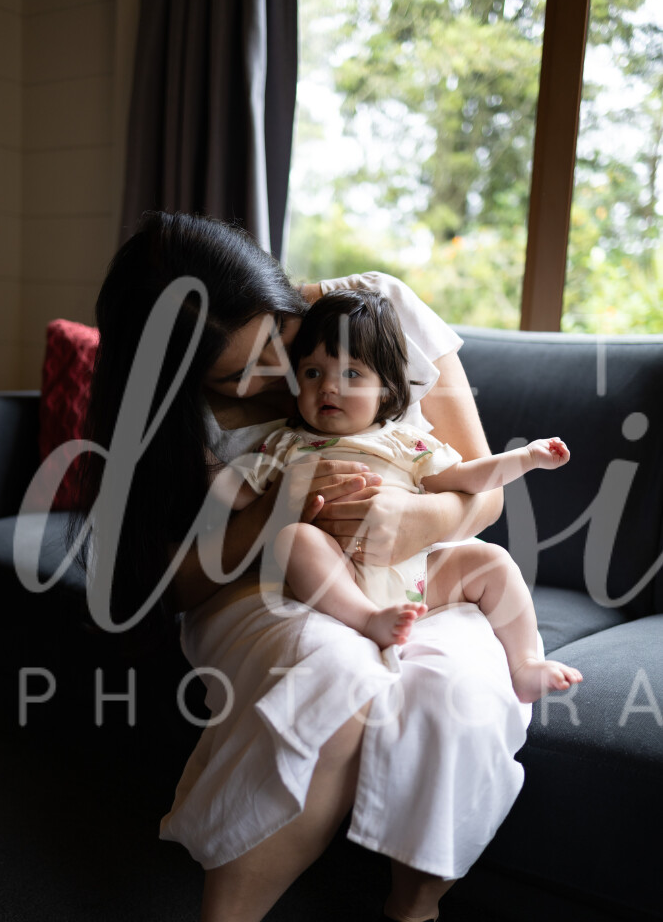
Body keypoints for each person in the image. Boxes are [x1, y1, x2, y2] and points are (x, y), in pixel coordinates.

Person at [78, 211, 534, 922]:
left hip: (414, 567)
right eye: (234, 377)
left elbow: (481, 489)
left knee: (453, 688)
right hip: (260, 583)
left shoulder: (376, 308)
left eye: (275, 341)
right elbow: (174, 584)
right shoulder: (168, 411)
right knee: (333, 673)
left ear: (281, 296)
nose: (275, 376)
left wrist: (414, 519)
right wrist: (280, 507)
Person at [222, 289, 582, 705]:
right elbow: (237, 494)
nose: (329, 387)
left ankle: (525, 664)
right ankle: (368, 618)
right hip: (339, 573)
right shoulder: (287, 445)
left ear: (386, 391)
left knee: (493, 561)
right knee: (295, 539)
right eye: (313, 372)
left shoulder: (405, 442)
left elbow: (466, 477)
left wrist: (526, 457)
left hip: (416, 574)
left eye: (352, 374)